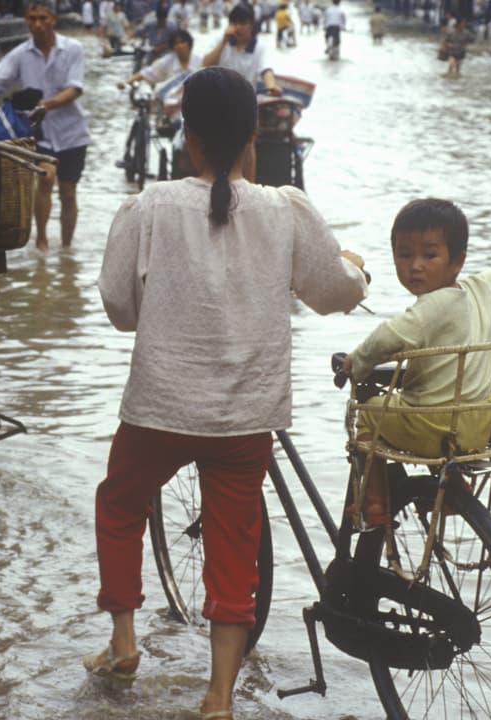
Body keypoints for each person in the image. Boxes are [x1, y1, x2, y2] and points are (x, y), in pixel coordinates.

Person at [87, 66, 368, 720]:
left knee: (120, 504)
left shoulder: (150, 206)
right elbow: (335, 292)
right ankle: (218, 698)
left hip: (159, 409)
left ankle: (123, 643)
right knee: (234, 548)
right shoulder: (284, 209)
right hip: (245, 418)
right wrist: (358, 267)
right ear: (252, 140)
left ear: (187, 138)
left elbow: (118, 306)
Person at [340, 198, 491, 525]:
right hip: (478, 421)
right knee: (434, 401)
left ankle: (373, 503)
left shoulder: (433, 307)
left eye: (430, 255)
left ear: (457, 261)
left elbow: (387, 337)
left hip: (432, 427)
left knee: (370, 414)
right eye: (404, 254)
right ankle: (453, 485)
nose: (415, 265)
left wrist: (355, 363)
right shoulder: (482, 286)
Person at [0, 0, 91, 253]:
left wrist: (46, 105)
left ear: (53, 19)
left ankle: (66, 249)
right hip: (36, 132)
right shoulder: (20, 54)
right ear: (26, 21)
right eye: (32, 19)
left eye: (42, 18)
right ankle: (41, 242)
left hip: (72, 132)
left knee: (68, 193)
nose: (37, 24)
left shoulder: (73, 48)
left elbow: (74, 89)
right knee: (45, 178)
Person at [201, 3, 281, 181]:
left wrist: (272, 85)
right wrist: (223, 41)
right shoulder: (220, 41)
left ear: (251, 24)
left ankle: (249, 186)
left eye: (243, 22)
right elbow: (206, 63)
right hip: (217, 100)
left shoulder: (260, 47)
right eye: (234, 22)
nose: (238, 27)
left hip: (245, 103)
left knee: (248, 143)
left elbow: (266, 70)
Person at [119, 28, 196, 88]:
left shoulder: (199, 61)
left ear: (189, 44)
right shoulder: (167, 61)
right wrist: (126, 83)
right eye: (176, 43)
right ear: (173, 47)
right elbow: (145, 73)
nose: (179, 46)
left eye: (182, 42)